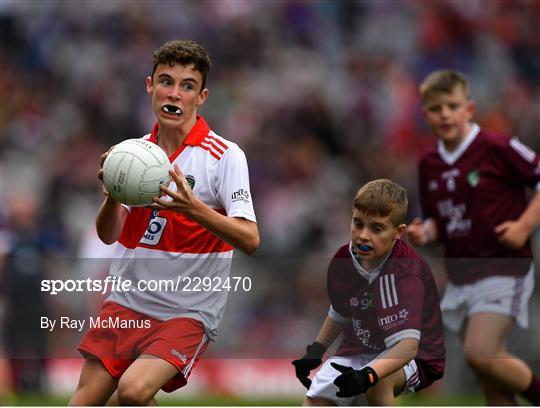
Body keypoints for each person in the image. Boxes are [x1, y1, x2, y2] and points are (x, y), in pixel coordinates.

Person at [69, 40, 259, 405]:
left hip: (185, 312)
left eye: (187, 85)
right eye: (166, 81)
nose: (174, 93)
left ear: (201, 96)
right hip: (125, 302)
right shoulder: (134, 154)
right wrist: (111, 194)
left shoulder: (224, 156)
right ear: (149, 86)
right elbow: (109, 235)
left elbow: (251, 239)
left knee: (133, 390)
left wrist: (193, 209)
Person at [407, 69, 540, 405]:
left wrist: (524, 225)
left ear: (469, 109)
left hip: (503, 267)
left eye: (453, 106)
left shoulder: (496, 146)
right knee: (489, 376)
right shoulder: (429, 162)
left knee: (481, 353)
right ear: (426, 115)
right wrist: (425, 232)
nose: (445, 114)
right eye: (437, 109)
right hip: (462, 277)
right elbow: (439, 220)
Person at [292, 179, 445, 406]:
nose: (363, 235)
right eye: (358, 223)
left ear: (398, 232)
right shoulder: (343, 260)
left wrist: (368, 375)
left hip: (416, 356)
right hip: (360, 347)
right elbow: (341, 309)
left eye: (376, 228)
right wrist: (315, 351)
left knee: (377, 383)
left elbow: (407, 346)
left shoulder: (405, 274)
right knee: (315, 401)